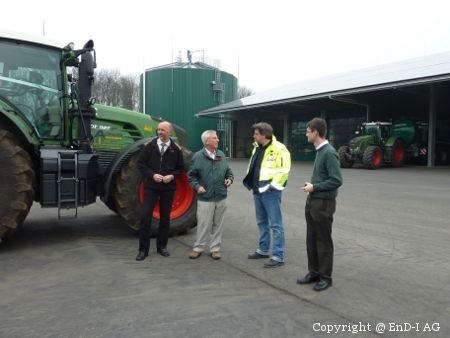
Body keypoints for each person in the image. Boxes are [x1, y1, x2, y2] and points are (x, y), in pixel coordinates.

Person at [297, 117, 343, 291]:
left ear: (316, 132)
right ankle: (314, 272)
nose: (306, 134)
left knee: (323, 241)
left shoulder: (329, 152)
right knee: (311, 240)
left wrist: (314, 187)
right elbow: (325, 177)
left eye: (308, 131)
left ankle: (325, 277)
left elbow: (337, 180)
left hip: (323, 204)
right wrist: (313, 185)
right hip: (314, 202)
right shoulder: (319, 151)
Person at [243, 122, 291, 268]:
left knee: (276, 225)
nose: (254, 136)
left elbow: (283, 171)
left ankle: (278, 256)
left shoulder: (279, 149)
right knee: (261, 222)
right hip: (257, 191)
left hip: (270, 193)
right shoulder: (257, 147)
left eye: (256, 134)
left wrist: (272, 188)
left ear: (264, 135)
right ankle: (263, 250)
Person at [135, 121, 184, 261]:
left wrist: (172, 176)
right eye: (158, 130)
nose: (159, 132)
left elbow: (180, 168)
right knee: (145, 217)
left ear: (169, 132)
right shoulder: (149, 146)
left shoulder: (176, 149)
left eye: (162, 130)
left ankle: (162, 247)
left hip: (168, 189)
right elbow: (141, 164)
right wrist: (152, 175)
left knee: (164, 219)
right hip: (151, 187)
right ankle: (143, 250)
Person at [188, 130, 234, 260]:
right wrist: (197, 187)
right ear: (207, 141)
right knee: (203, 224)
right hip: (205, 198)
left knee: (218, 224)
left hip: (221, 196)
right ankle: (198, 248)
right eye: (215, 138)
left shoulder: (221, 154)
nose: (218, 140)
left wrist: (229, 179)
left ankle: (215, 249)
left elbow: (228, 171)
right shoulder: (198, 156)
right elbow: (191, 176)